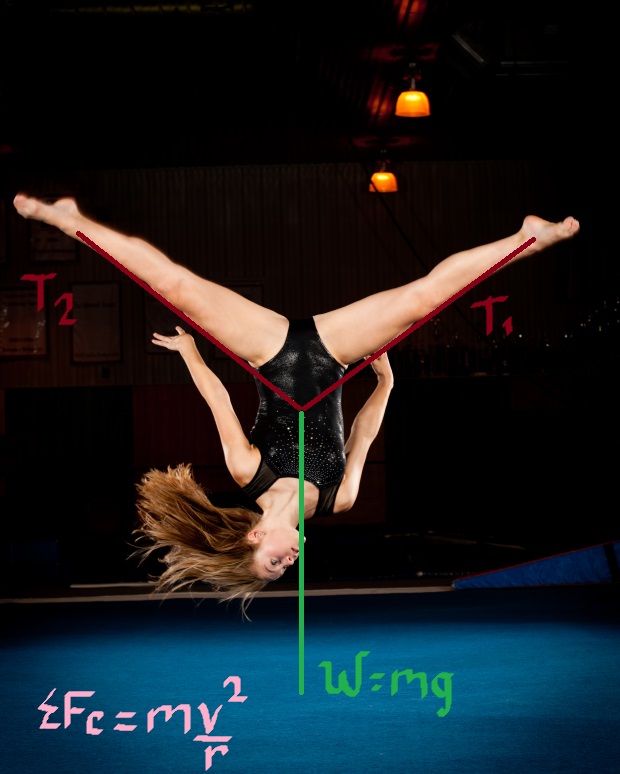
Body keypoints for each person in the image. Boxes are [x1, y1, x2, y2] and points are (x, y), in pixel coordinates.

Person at [12, 193, 580, 615]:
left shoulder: (248, 474)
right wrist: (384, 386)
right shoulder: (339, 499)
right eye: (288, 570)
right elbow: (361, 437)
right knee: (424, 297)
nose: (291, 563)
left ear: (255, 537)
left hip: (267, 351)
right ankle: (527, 237)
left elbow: (217, 399)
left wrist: (190, 352)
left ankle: (68, 219)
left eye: (274, 564)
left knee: (177, 287)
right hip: (334, 353)